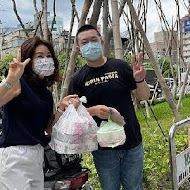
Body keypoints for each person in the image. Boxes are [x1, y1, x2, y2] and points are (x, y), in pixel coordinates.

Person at [68, 24, 150, 190]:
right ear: (78, 48)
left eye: (93, 39)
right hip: (103, 148)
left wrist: (140, 80)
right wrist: (93, 111)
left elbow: (143, 97)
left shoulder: (120, 67)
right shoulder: (78, 79)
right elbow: (72, 114)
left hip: (132, 142)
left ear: (102, 41)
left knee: (134, 187)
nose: (90, 44)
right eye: (84, 42)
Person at [0, 36, 80, 190]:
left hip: (37, 154)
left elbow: (48, 129)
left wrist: (61, 108)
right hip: (15, 156)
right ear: (28, 60)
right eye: (40, 56)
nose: (46, 60)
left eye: (49, 56)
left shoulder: (45, 93)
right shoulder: (18, 83)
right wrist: (10, 79)